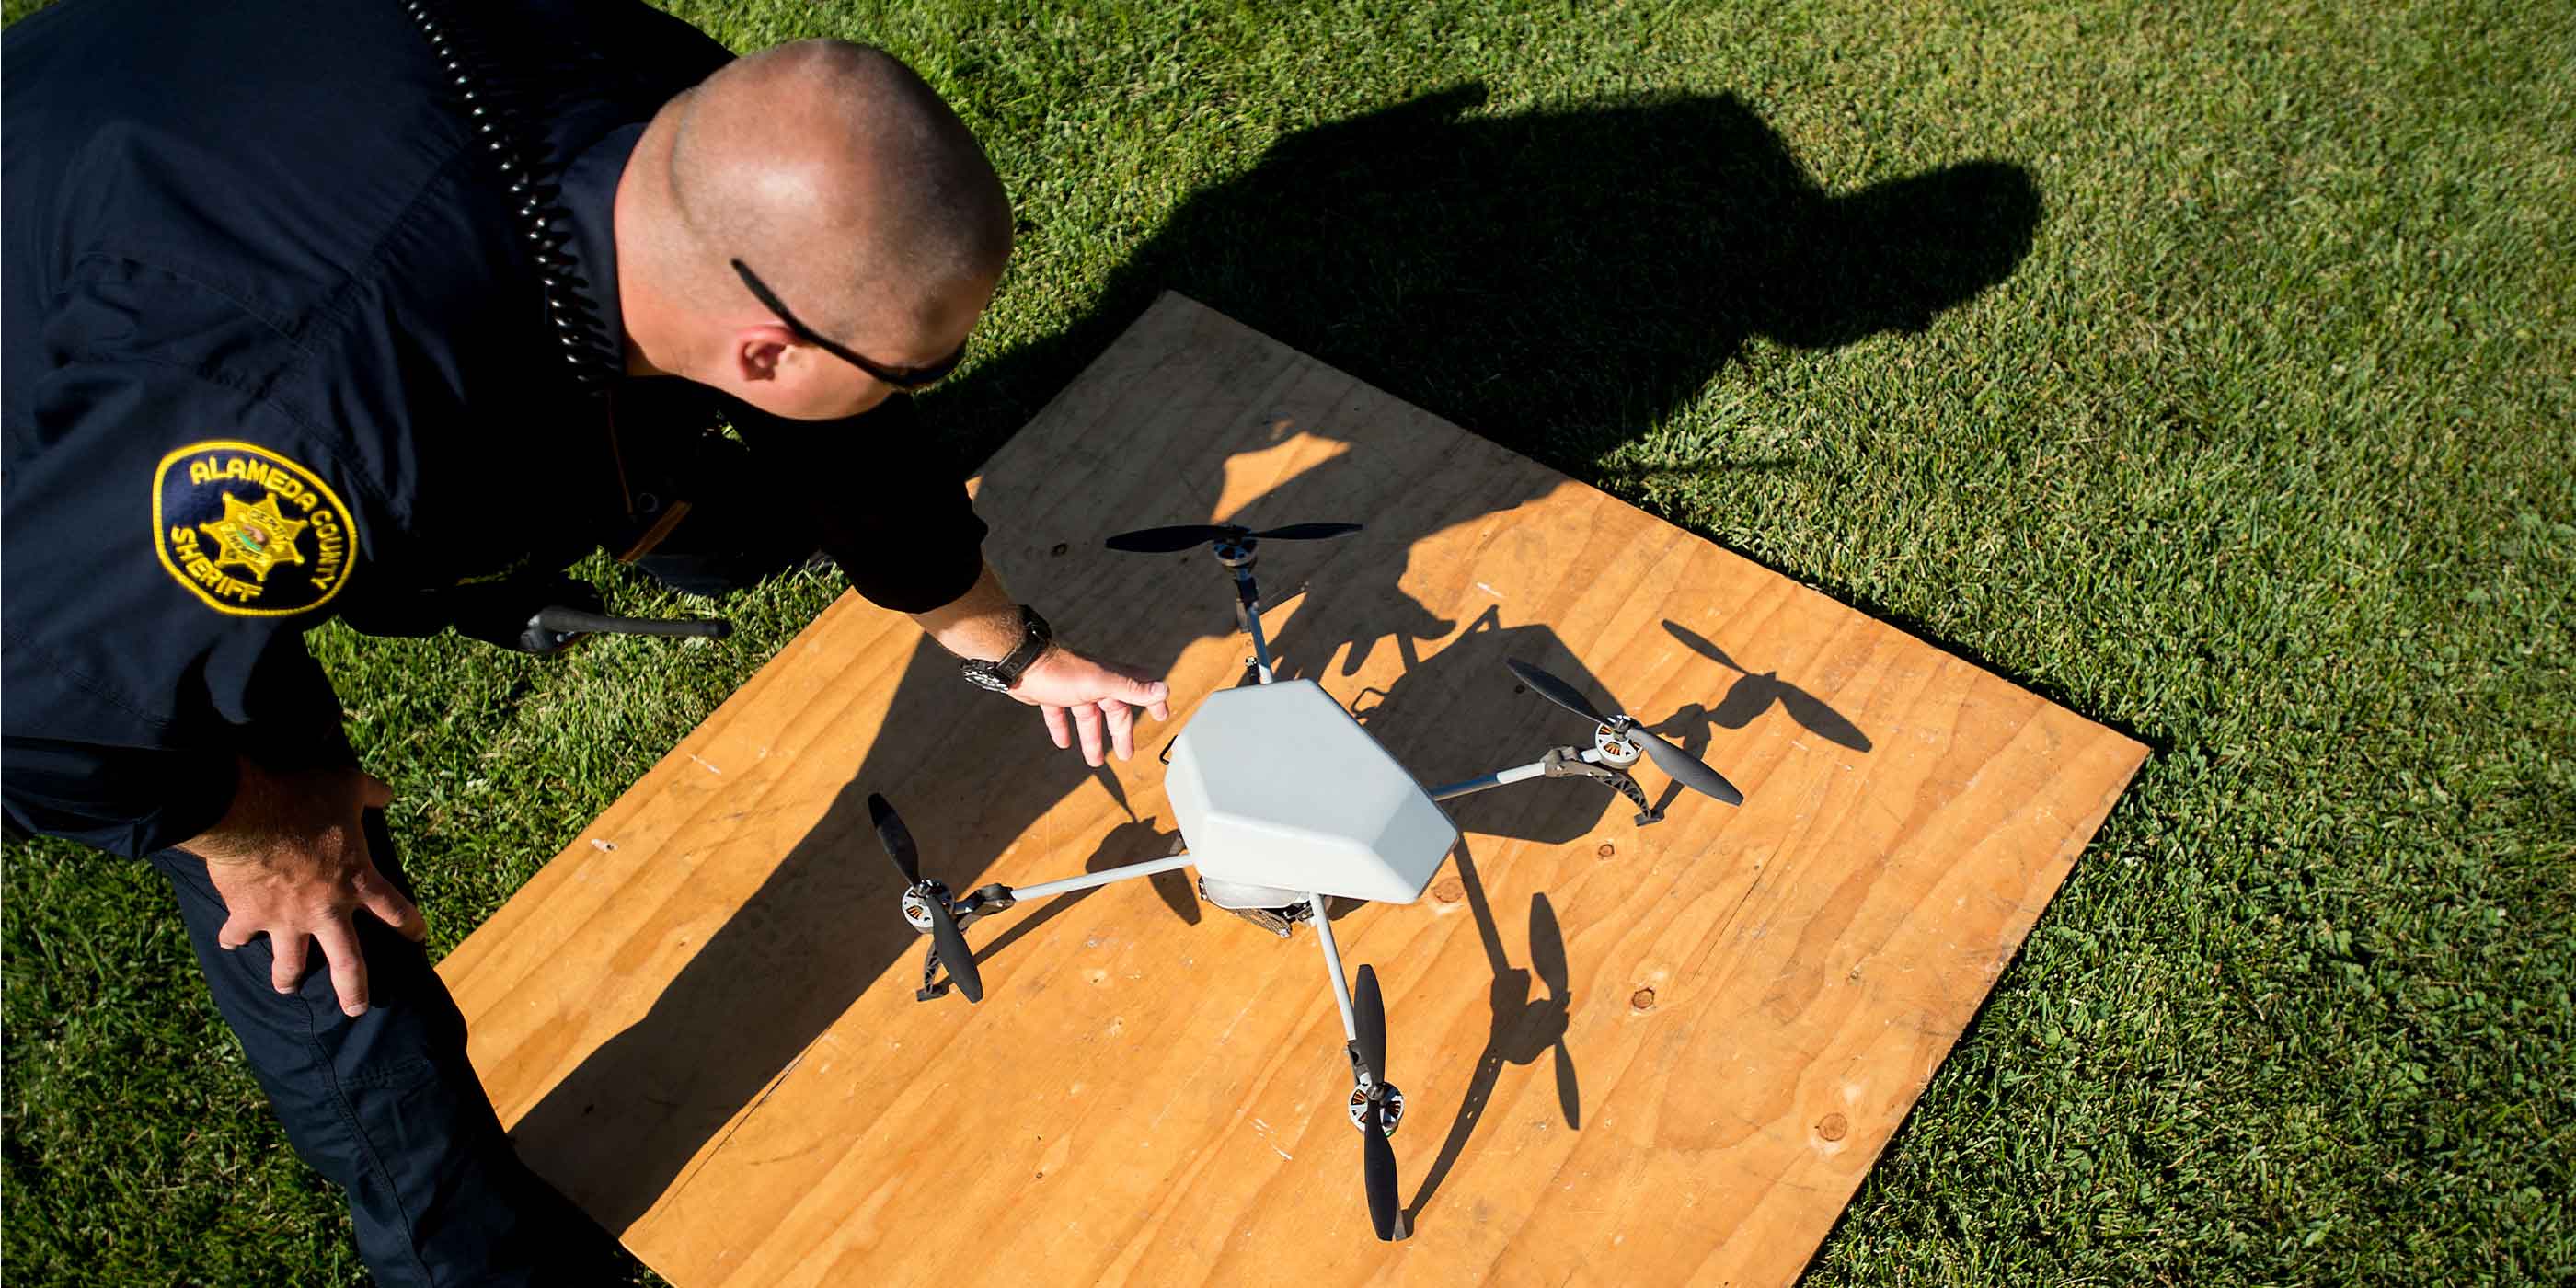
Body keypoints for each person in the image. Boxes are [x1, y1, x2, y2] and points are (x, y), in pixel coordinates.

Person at [2, 0, 1166, 1281]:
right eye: (917, 370)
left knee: (697, 439)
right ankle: (471, 1258)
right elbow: (37, 709)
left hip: (158, 134)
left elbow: (842, 420)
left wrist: (1000, 638)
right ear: (765, 349)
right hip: (68, 449)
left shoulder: (691, 114)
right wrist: (260, 823)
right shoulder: (304, 433)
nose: (913, 390)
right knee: (316, 896)